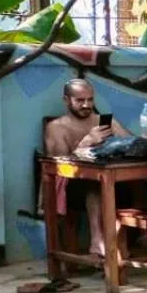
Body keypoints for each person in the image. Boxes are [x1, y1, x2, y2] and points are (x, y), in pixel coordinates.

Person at [42, 78, 130, 258]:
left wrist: (120, 143)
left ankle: (138, 239)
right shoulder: (56, 127)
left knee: (136, 181)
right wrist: (86, 142)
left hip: (110, 179)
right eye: (80, 100)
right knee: (94, 185)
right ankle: (97, 241)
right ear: (66, 100)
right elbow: (59, 164)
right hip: (72, 185)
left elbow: (132, 144)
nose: (86, 105)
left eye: (90, 100)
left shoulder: (104, 122)